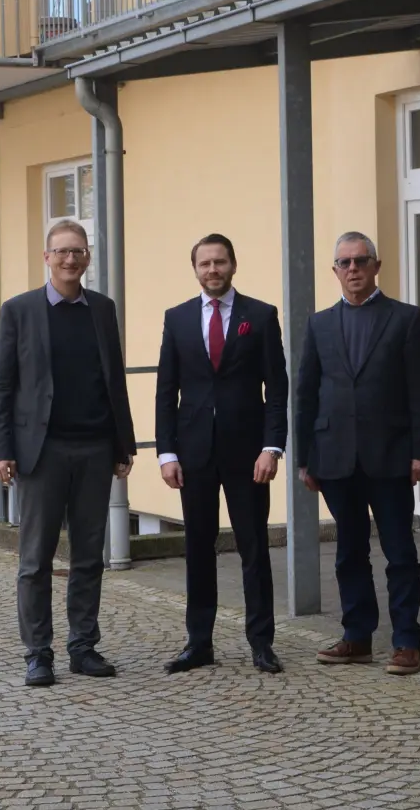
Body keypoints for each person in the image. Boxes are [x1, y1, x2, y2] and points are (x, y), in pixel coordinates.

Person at [0, 220, 136, 687]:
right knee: (35, 560)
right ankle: (38, 654)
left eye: (78, 251)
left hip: (94, 447)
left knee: (90, 555)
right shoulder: (19, 311)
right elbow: (2, 386)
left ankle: (83, 647)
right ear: (47, 258)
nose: (71, 260)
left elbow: (115, 381)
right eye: (62, 252)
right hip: (40, 452)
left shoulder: (102, 310)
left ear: (88, 257)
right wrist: (1, 449)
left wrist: (123, 442)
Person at [295, 231, 420, 675]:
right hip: (335, 457)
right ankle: (357, 637)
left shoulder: (405, 319)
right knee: (349, 552)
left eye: (360, 261)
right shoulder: (318, 324)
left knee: (399, 552)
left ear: (376, 266)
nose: (352, 269)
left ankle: (406, 641)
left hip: (390, 455)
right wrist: (304, 457)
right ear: (334, 271)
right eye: (344, 262)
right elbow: (306, 393)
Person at [155, 233, 289, 675]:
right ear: (194, 269)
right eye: (204, 263)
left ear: (233, 265)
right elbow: (165, 391)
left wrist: (273, 446)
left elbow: (277, 387)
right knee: (197, 547)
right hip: (193, 455)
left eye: (220, 262)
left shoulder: (261, 315)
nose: (212, 270)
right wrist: (166, 452)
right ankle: (199, 643)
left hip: (249, 454)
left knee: (254, 548)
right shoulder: (176, 319)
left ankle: (261, 643)